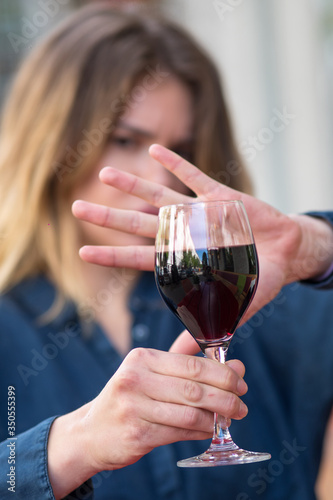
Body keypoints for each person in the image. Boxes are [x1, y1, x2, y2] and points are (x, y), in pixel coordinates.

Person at [0, 4, 332, 500]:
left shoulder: (272, 301)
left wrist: (315, 246)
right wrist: (69, 447)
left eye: (183, 150)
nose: (160, 181)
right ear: (51, 145)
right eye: (126, 140)